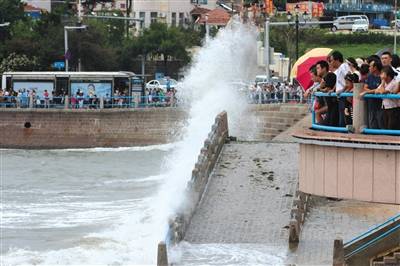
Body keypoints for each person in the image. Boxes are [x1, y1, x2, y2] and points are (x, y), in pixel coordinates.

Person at [328, 51, 350, 127]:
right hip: (340, 96)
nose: (331, 62)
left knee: (344, 118)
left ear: (336, 60)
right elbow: (339, 82)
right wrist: (333, 89)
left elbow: (349, 78)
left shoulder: (343, 66)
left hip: (344, 96)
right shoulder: (339, 68)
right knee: (342, 116)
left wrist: (343, 90)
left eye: (331, 60)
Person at [361, 59, 384, 129]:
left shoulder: (382, 77)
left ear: (375, 67)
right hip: (371, 106)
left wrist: (368, 91)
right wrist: (373, 91)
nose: (369, 68)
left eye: (370, 66)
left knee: (381, 124)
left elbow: (380, 89)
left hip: (381, 106)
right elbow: (364, 88)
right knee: (372, 124)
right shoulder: (369, 76)